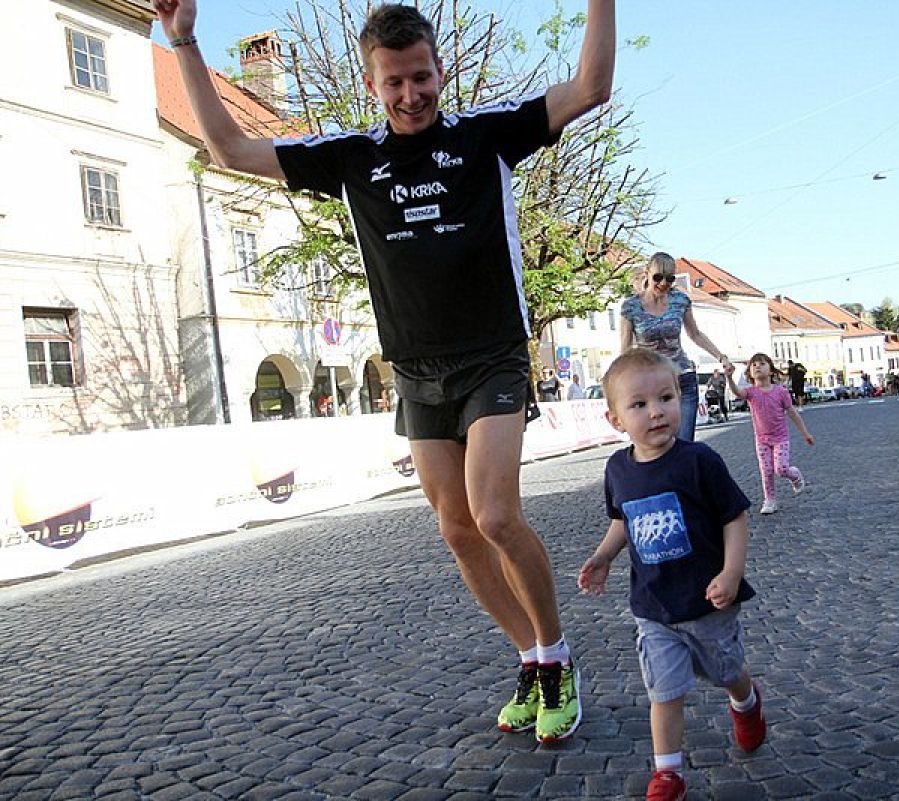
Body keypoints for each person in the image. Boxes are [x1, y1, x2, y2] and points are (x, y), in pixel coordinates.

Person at [152, 0, 616, 742]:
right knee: (457, 529)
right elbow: (229, 149)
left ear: (440, 70)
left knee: (495, 515)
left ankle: (558, 656)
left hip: (492, 354)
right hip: (415, 368)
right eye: (394, 82)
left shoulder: (487, 135)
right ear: (372, 84)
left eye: (421, 77)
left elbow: (591, 86)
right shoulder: (350, 158)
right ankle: (529, 658)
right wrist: (183, 42)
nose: (410, 94)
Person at [578, 349, 765, 801]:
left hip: (709, 601)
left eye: (665, 398)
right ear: (615, 419)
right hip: (655, 607)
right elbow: (622, 521)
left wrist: (731, 573)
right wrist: (604, 556)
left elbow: (735, 516)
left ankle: (746, 701)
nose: (656, 412)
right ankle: (668, 774)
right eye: (639, 405)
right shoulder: (617, 469)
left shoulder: (699, 460)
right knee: (664, 692)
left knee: (726, 671)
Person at [620, 253, 732, 441]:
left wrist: (722, 357)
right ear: (647, 273)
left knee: (684, 443)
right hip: (650, 384)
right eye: (658, 277)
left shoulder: (680, 301)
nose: (663, 283)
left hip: (682, 378)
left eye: (670, 279)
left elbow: (695, 334)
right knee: (658, 444)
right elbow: (626, 349)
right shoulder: (631, 306)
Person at [726, 353, 814, 515]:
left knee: (781, 469)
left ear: (771, 371)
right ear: (750, 373)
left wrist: (805, 433)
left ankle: (795, 475)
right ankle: (769, 500)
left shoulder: (780, 392)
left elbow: (793, 413)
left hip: (780, 438)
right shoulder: (751, 392)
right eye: (754, 365)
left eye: (762, 364)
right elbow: (737, 392)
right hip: (762, 440)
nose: (757, 367)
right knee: (766, 470)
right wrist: (729, 378)